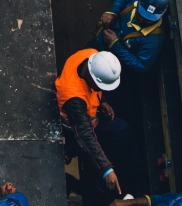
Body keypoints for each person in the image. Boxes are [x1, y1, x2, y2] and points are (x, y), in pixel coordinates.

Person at [56, 49, 136, 194]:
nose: (101, 89)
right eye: (100, 86)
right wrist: (106, 169)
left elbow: (96, 89)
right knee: (90, 159)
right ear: (89, 76)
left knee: (122, 129)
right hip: (75, 131)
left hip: (93, 118)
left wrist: (103, 101)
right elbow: (85, 134)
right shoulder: (74, 98)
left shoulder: (91, 55)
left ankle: (129, 168)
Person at [91, 0, 170, 74]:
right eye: (140, 14)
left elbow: (141, 65)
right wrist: (112, 12)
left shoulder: (154, 42)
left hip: (111, 64)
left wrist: (115, 45)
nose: (140, 20)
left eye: (147, 20)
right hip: (100, 39)